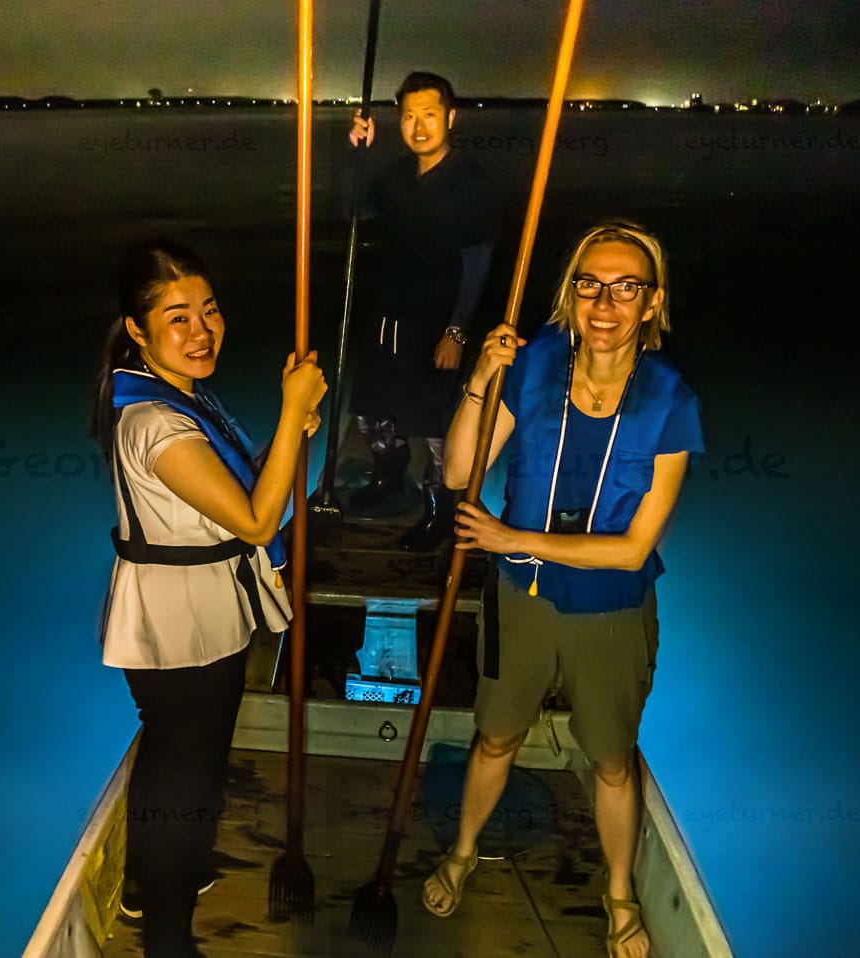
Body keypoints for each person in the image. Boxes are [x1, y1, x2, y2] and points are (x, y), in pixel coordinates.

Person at [423, 221, 703, 958]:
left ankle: (620, 891)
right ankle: (464, 850)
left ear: (652, 303)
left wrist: (511, 539)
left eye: (626, 288)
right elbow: (459, 472)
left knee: (611, 759)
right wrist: (482, 377)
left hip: (611, 611)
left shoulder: (671, 401)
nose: (605, 303)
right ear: (570, 293)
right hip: (521, 600)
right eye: (590, 284)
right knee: (496, 735)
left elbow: (635, 548)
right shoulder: (534, 363)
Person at [91, 239, 326, 958]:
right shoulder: (158, 423)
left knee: (174, 756)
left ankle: (149, 879)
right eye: (178, 319)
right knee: (187, 782)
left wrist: (289, 434)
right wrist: (291, 409)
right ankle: (168, 939)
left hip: (191, 608)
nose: (202, 332)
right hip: (180, 623)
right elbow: (255, 520)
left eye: (210, 311)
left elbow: (235, 490)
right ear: (137, 330)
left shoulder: (176, 395)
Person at [345, 71, 497, 550]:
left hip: (437, 323)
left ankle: (439, 510)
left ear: (450, 118)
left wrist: (457, 330)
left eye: (429, 114)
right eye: (409, 116)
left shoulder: (470, 183)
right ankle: (388, 477)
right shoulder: (395, 176)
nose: (419, 126)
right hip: (387, 315)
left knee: (434, 424)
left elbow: (479, 259)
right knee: (372, 410)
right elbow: (357, 211)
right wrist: (360, 153)